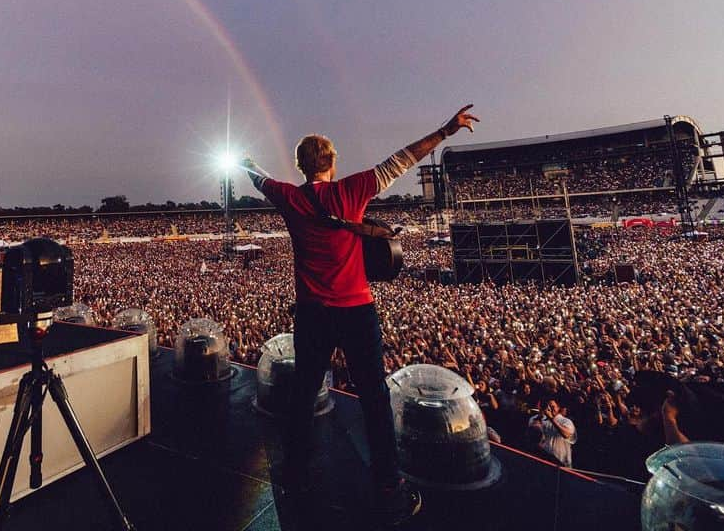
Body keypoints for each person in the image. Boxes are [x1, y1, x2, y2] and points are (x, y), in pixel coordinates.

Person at [241, 104, 480, 521]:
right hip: (355, 309)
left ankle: (295, 471)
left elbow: (259, 179)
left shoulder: (290, 197)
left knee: (303, 393)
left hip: (312, 313)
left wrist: (246, 162)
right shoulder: (352, 190)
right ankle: (388, 487)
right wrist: (445, 130)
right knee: (374, 398)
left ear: (301, 166)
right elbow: (404, 158)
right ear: (332, 163)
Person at [528, 396, 577, 467]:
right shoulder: (538, 419)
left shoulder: (566, 421)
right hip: (544, 461)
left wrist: (551, 419)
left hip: (561, 463)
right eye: (548, 406)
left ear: (558, 407)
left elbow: (566, 434)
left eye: (552, 406)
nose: (550, 409)